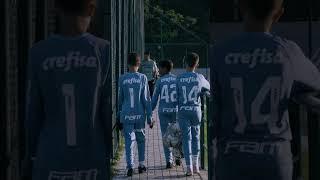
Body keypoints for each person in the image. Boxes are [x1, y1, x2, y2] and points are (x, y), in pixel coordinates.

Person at [210, 0, 320, 180]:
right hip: (274, 158)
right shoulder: (287, 51)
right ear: (278, 14)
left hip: (232, 157)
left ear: (241, 6)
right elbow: (315, 84)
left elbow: (216, 113)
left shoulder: (220, 52)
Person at [25, 0, 111, 179]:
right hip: (92, 158)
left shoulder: (39, 52)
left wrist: (32, 154)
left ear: (56, 7)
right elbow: (106, 108)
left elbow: (33, 111)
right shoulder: (102, 50)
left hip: (50, 158)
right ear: (91, 9)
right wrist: (108, 152)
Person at [117, 53, 154, 177]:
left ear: (127, 64)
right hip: (139, 115)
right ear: (139, 64)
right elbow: (146, 99)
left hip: (127, 114)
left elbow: (120, 99)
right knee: (141, 139)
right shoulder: (143, 78)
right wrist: (149, 116)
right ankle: (142, 164)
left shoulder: (122, 78)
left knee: (129, 140)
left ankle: (129, 166)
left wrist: (119, 115)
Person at [176, 53, 210, 176]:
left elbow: (176, 96)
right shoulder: (200, 77)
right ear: (197, 64)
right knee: (196, 137)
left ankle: (189, 167)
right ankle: (196, 166)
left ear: (185, 63)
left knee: (186, 138)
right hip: (196, 110)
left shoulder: (179, 78)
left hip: (183, 111)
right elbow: (208, 88)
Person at [151, 60, 181, 168]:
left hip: (163, 111)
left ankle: (169, 161)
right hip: (175, 111)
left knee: (165, 136)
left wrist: (150, 112)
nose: (158, 70)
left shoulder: (159, 81)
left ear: (164, 68)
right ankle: (177, 157)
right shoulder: (176, 79)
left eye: (159, 68)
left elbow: (154, 99)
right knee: (177, 134)